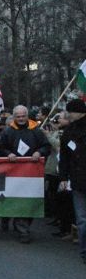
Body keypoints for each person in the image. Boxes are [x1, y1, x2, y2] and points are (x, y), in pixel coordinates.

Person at [0, 105, 51, 243]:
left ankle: (23, 225)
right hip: (13, 172)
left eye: (23, 116)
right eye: (18, 116)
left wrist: (39, 152)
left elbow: (46, 146)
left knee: (29, 200)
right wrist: (8, 153)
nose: (21, 119)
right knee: (15, 198)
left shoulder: (36, 130)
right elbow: (0, 147)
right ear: (14, 117)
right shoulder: (8, 131)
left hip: (31, 173)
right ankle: (18, 225)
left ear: (27, 116)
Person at [58, 99, 86, 264]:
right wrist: (63, 177)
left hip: (79, 177)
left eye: (70, 112)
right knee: (82, 219)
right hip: (78, 180)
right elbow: (64, 157)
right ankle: (84, 251)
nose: (68, 115)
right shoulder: (68, 132)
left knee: (82, 218)